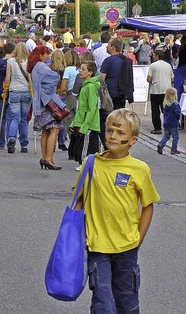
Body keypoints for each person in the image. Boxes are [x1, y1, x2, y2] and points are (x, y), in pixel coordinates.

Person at [74, 109, 159, 313]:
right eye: (110, 130)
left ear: (133, 140)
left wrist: (138, 238)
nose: (113, 136)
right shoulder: (91, 163)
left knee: (127, 304)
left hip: (126, 248)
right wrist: (75, 238)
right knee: (104, 304)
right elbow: (78, 201)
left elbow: (148, 205)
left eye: (121, 133)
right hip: (97, 247)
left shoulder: (139, 169)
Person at [30, 45, 63, 170]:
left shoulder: (35, 67)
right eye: (46, 54)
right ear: (41, 55)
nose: (48, 56)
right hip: (48, 101)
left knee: (45, 130)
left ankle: (45, 158)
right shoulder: (42, 67)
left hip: (40, 101)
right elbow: (55, 78)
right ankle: (48, 158)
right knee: (54, 129)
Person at [70, 61, 101, 166]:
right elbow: (81, 109)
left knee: (86, 146)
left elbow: (92, 108)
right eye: (80, 68)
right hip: (82, 122)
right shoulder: (85, 85)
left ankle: (85, 164)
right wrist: (74, 123)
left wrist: (85, 125)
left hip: (88, 124)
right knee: (81, 145)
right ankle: (83, 163)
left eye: (83, 69)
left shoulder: (90, 87)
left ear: (90, 73)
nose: (80, 71)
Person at [4, 42, 31, 153]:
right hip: (26, 91)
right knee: (24, 119)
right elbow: (30, 79)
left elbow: (7, 78)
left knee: (15, 117)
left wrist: (5, 89)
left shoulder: (10, 61)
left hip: (14, 91)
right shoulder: (29, 62)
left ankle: (11, 138)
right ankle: (24, 145)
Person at [146, 50, 174, 135]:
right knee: (166, 109)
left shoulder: (153, 65)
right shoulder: (168, 65)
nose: (153, 57)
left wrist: (150, 80)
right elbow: (172, 78)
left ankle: (157, 128)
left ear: (157, 56)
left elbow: (149, 78)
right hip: (166, 90)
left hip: (155, 90)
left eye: (154, 55)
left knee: (155, 110)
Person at [157, 88, 182, 155]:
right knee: (175, 137)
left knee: (167, 136)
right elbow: (177, 113)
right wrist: (178, 119)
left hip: (166, 122)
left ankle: (161, 144)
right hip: (173, 123)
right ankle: (174, 149)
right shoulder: (175, 104)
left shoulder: (165, 104)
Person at [174, 35, 186, 99]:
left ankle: (179, 97)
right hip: (182, 68)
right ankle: (178, 98)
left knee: (179, 84)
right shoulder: (185, 48)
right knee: (178, 84)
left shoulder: (182, 47)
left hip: (181, 67)